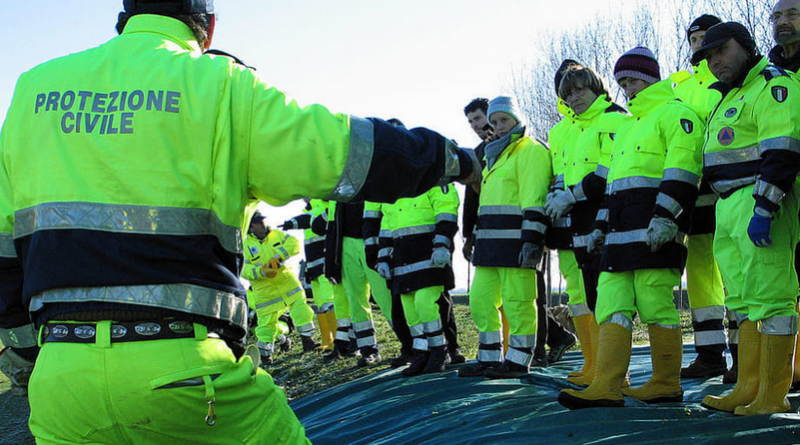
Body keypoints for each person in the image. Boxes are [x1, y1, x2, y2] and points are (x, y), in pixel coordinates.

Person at [0, 1, 480, 443]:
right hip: (187, 374)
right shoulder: (222, 86)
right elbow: (346, 151)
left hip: (62, 385)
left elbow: (3, 260)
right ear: (208, 28)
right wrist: (453, 159)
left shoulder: (32, 91)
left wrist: (33, 364)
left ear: (123, 18)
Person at [558, 47, 704, 410]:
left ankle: (665, 383)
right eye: (622, 82)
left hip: (656, 231)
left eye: (634, 80)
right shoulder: (627, 127)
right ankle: (606, 385)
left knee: (655, 303)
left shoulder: (676, 115)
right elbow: (613, 188)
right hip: (617, 237)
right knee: (610, 305)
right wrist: (599, 229)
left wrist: (666, 217)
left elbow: (684, 171)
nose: (629, 88)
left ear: (652, 77)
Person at [693, 22, 800, 416]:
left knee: (772, 301)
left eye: (721, 51)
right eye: (707, 56)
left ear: (746, 46)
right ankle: (748, 386)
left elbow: (783, 151)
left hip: (759, 202)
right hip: (728, 208)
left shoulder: (773, 85)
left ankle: (773, 393)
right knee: (742, 303)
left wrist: (765, 208)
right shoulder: (728, 96)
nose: (713, 62)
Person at [458, 96, 552, 379]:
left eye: (504, 120)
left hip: (516, 244)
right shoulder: (491, 154)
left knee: (518, 301)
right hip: (488, 246)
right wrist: (473, 237)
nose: (498, 126)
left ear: (517, 120)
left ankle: (519, 360)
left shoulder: (531, 150)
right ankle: (488, 357)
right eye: (495, 121)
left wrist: (532, 240)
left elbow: (534, 197)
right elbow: (485, 203)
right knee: (480, 300)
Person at [546, 62, 627, 386]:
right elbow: (563, 174)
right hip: (576, 221)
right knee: (588, 297)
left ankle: (612, 376)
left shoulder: (614, 119)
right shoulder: (569, 130)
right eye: (568, 93)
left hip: (606, 218)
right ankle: (595, 366)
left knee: (610, 299)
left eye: (581, 89)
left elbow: (607, 173)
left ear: (597, 87)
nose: (575, 97)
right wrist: (558, 200)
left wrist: (571, 195)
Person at [669, 14, 733, 382]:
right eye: (694, 39)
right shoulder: (680, 85)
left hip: (727, 186)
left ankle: (744, 356)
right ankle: (710, 355)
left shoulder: (730, 78)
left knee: (734, 269)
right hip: (693, 191)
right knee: (701, 275)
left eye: (707, 37)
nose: (700, 44)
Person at [376, 182, 461, 376]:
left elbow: (447, 213)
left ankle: (440, 351)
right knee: (410, 312)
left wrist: (441, 245)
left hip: (430, 258)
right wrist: (382, 258)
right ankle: (421, 353)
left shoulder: (435, 182)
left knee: (425, 304)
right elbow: (386, 228)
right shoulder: (392, 192)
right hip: (402, 262)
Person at [768, 0, 800, 393]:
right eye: (776, 16)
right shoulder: (768, 76)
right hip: (781, 192)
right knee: (787, 283)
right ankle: (791, 369)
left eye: (792, 12)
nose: (783, 22)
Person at [242, 210, 318, 361]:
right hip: (265, 292)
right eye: (259, 221)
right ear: (251, 228)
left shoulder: (277, 234)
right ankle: (265, 355)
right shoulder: (245, 246)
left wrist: (278, 256)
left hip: (287, 283)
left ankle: (307, 340)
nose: (263, 223)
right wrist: (261, 271)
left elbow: (294, 244)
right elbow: (243, 270)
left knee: (301, 310)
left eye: (263, 219)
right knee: (265, 325)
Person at [281, 199, 337, 351]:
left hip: (325, 262)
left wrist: (291, 222)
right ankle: (328, 340)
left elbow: (309, 220)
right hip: (313, 265)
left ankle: (339, 342)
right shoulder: (309, 210)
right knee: (320, 304)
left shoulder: (321, 206)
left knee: (328, 300)